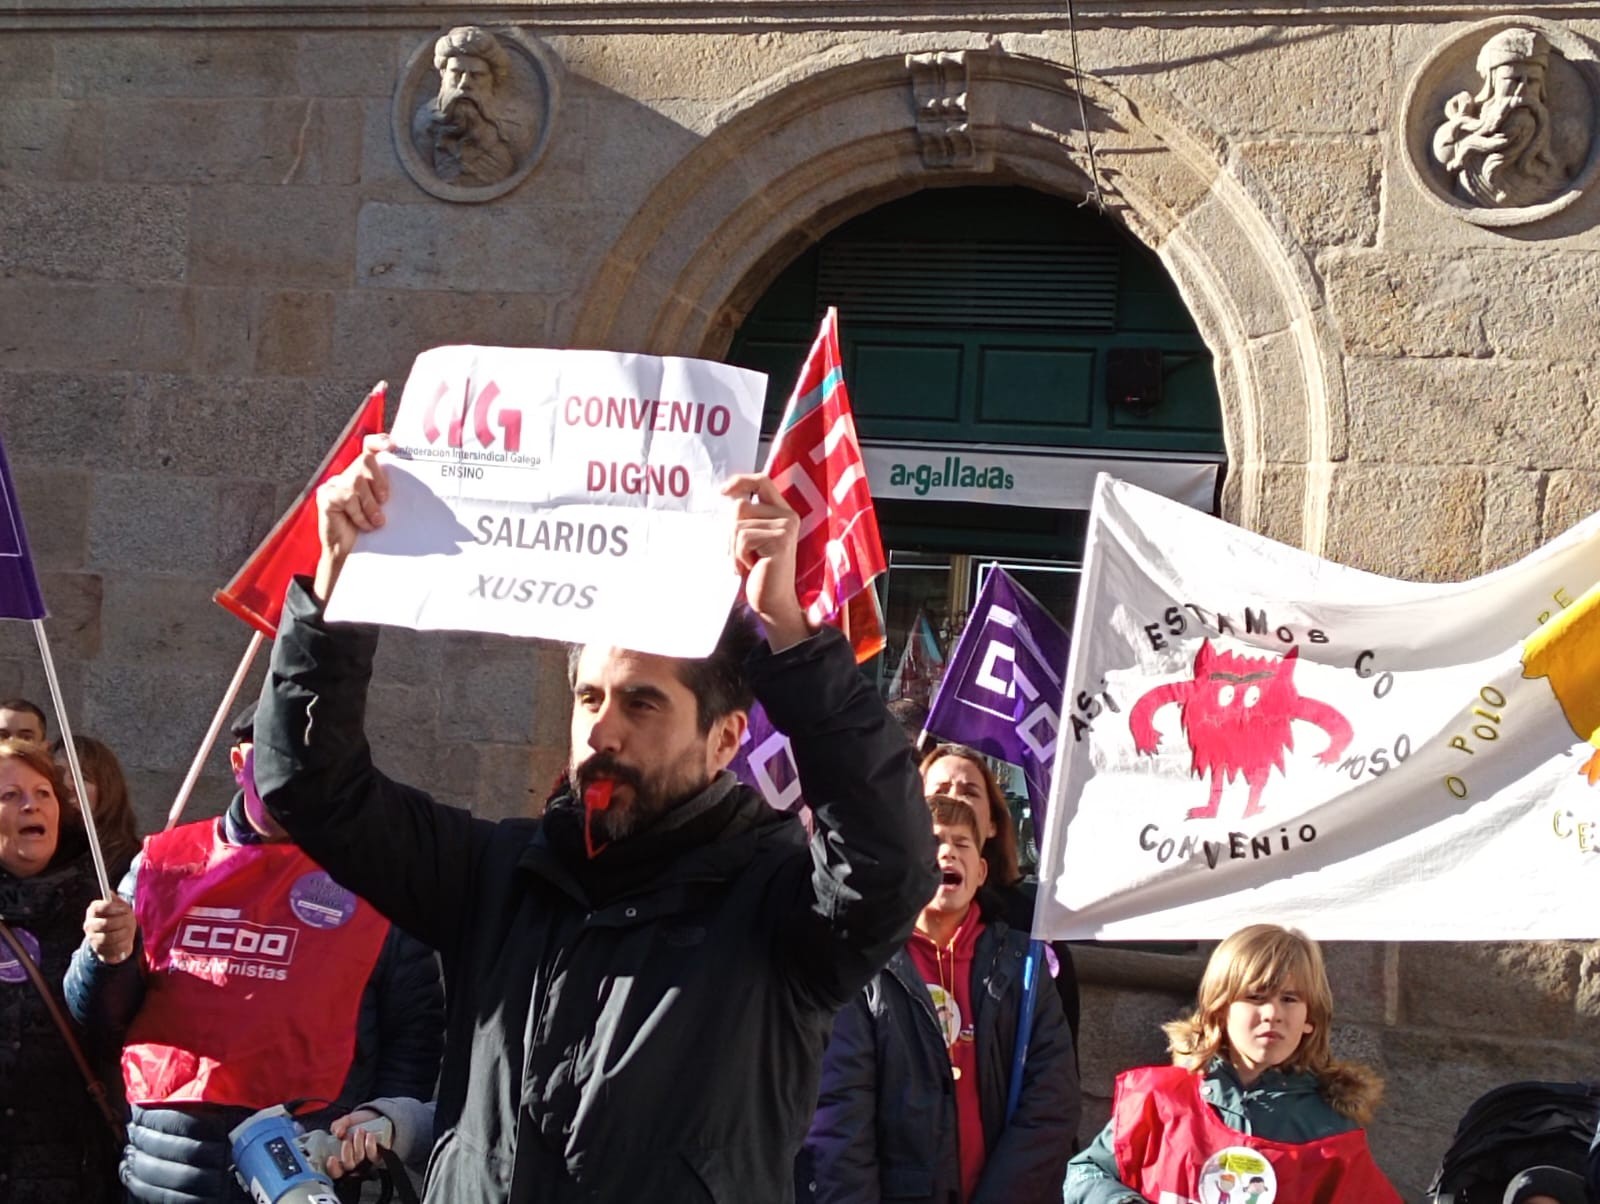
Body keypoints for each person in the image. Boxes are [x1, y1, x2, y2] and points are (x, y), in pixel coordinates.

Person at [249, 441, 938, 1203]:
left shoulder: (783, 906)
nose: (603, 732)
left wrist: (790, 631)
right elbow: (310, 786)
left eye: (642, 703)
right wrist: (336, 589)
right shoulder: (495, 876)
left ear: (725, 739)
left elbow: (890, 865)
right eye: (589, 699)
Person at [65, 705, 445, 1204]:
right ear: (237, 763)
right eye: (272, 758)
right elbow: (93, 1018)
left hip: (308, 1167)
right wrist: (106, 957)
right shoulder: (162, 863)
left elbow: (414, 1032)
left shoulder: (378, 880)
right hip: (167, 1171)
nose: (288, 779)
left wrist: (372, 1138)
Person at [800, 797, 1080, 1203]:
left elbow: (1052, 1103)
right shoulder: (868, 969)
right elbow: (842, 1115)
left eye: (962, 843)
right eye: (932, 842)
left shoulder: (1025, 968)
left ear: (981, 872)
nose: (948, 852)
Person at [1063, 923, 1402, 1203]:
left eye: (1289, 999)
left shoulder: (1330, 1130)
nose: (1272, 1013)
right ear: (1220, 1009)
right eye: (1255, 997)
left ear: (1309, 1019)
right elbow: (1085, 1173)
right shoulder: (1160, 1100)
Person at [0, 739, 120, 1202]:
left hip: (68, 1170)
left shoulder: (98, 908)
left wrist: (117, 956)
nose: (31, 805)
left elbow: (115, 1027)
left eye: (43, 793)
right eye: (10, 795)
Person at [920, 742, 1081, 1048]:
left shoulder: (1031, 926)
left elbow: (1055, 1048)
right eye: (940, 790)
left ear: (992, 823)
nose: (954, 799)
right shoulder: (885, 913)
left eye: (969, 792)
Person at [54, 734, 140, 881]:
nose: (66, 785)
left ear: (107, 789)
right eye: (57, 775)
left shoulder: (132, 863)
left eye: (82, 777)